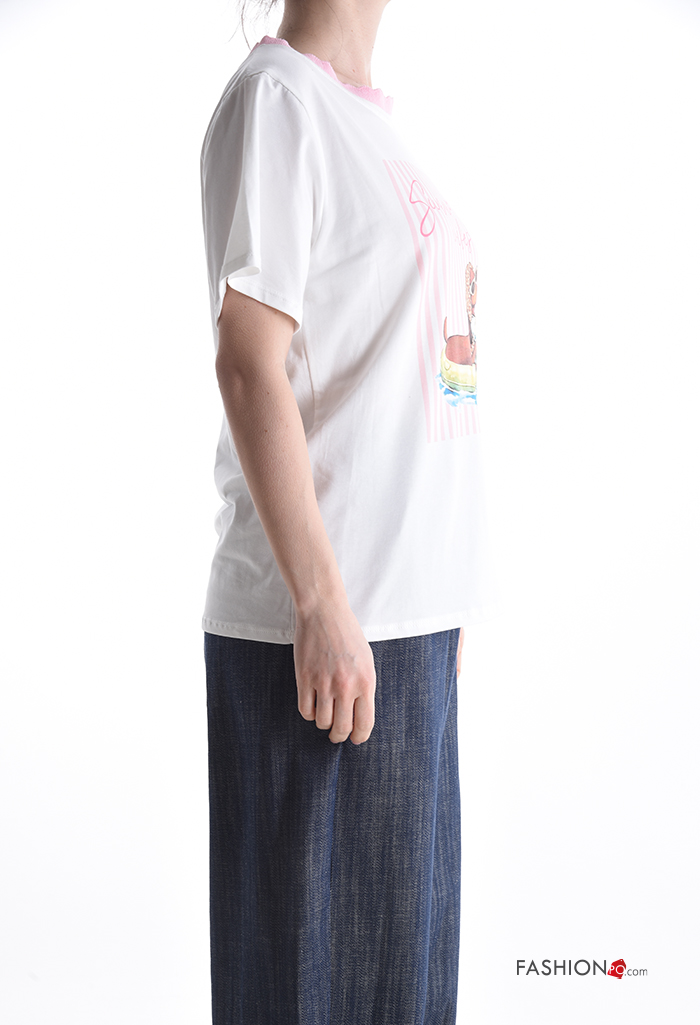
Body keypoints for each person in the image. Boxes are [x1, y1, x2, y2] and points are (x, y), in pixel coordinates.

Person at [199, 1, 501, 1022]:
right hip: (325, 636)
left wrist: (440, 587)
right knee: (313, 990)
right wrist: (321, 601)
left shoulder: (368, 122)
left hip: (404, 632)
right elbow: (249, 363)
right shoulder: (278, 98)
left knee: (401, 990)